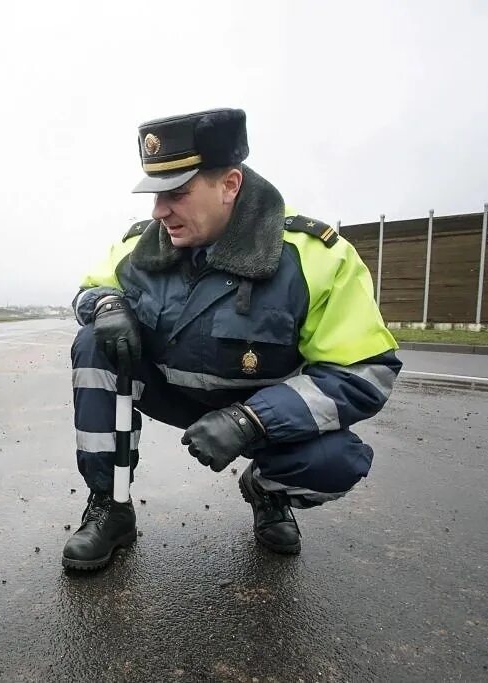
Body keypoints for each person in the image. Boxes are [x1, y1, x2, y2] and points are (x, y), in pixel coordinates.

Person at [63, 108, 401, 570]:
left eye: (177, 193)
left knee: (337, 462)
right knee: (91, 344)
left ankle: (268, 492)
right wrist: (105, 306)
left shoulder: (315, 257)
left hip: (259, 412)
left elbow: (366, 371)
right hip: (173, 393)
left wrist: (252, 421)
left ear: (230, 186)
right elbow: (89, 289)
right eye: (155, 195)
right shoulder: (141, 245)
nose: (160, 211)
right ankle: (110, 505)